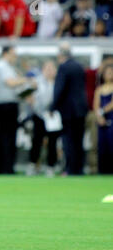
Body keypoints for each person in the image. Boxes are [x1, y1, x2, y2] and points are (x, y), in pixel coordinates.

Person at [0, 46, 35, 174]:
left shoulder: (7, 67)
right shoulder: (2, 66)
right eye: (13, 54)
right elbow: (10, 83)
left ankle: (2, 166)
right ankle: (5, 167)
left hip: (8, 104)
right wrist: (27, 80)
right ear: (6, 53)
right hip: (5, 105)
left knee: (5, 136)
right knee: (7, 136)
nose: (15, 57)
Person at [51, 42, 88, 175]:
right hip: (81, 109)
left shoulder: (63, 67)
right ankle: (79, 168)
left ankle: (70, 169)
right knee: (79, 140)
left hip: (68, 110)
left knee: (68, 140)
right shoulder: (79, 66)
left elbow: (59, 89)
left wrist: (52, 107)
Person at [26, 60, 60, 177]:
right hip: (39, 115)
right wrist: (32, 103)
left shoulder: (58, 82)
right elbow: (26, 94)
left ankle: (51, 166)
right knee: (37, 141)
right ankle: (33, 165)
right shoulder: (37, 81)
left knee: (52, 142)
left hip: (52, 116)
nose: (50, 71)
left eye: (52, 68)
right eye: (47, 68)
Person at [93, 64, 113, 174]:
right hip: (101, 121)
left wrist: (103, 111)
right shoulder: (99, 89)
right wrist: (99, 116)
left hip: (111, 118)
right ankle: (102, 171)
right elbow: (96, 105)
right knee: (102, 146)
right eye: (108, 72)